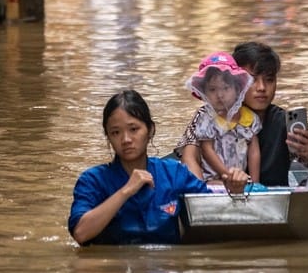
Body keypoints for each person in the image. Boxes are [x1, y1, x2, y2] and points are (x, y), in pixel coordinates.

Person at [68, 90, 245, 246]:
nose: (126, 139)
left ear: (150, 130)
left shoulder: (174, 174)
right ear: (108, 137)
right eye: (116, 132)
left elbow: (211, 212)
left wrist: (234, 193)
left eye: (134, 129)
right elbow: (81, 234)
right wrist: (126, 191)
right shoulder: (93, 180)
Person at [175, 42, 308, 186]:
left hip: (270, 203)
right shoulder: (208, 115)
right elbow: (189, 158)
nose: (262, 88)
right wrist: (202, 193)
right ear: (235, 82)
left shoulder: (284, 122)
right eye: (253, 80)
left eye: (269, 79)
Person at [185, 52, 262, 184]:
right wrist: (226, 175)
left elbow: (254, 152)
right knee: (218, 186)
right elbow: (207, 150)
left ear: (237, 89)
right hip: (214, 178)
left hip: (240, 179)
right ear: (205, 92)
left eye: (226, 88)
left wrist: (255, 182)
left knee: (250, 190)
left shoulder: (249, 118)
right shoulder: (206, 117)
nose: (220, 95)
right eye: (212, 89)